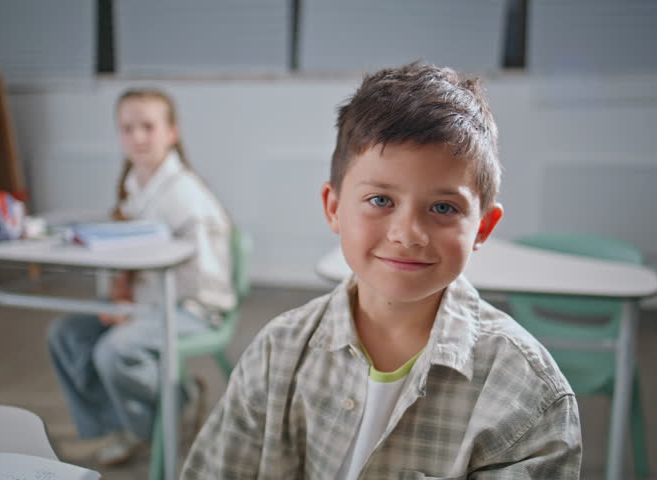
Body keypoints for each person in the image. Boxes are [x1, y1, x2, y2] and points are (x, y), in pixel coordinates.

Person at [182, 62, 582, 479]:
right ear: (334, 207)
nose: (408, 234)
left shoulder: (528, 394)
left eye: (443, 208)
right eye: (380, 200)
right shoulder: (276, 353)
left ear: (482, 227)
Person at [47, 88, 235, 466]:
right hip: (147, 300)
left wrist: (133, 309)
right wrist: (123, 299)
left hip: (193, 306)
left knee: (114, 350)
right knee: (65, 335)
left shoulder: (184, 195)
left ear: (171, 133)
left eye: (148, 127)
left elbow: (204, 281)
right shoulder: (135, 185)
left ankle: (177, 402)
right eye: (127, 128)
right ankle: (123, 426)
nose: (137, 137)